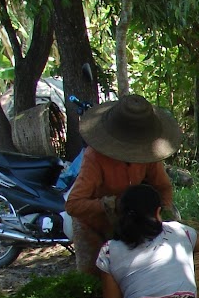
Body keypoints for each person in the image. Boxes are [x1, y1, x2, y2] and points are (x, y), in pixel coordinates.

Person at [66, 94, 181, 274]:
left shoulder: (147, 154)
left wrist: (162, 216)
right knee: (96, 279)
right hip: (94, 225)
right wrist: (107, 204)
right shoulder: (95, 157)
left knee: (134, 274)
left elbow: (163, 187)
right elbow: (73, 205)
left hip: (129, 224)